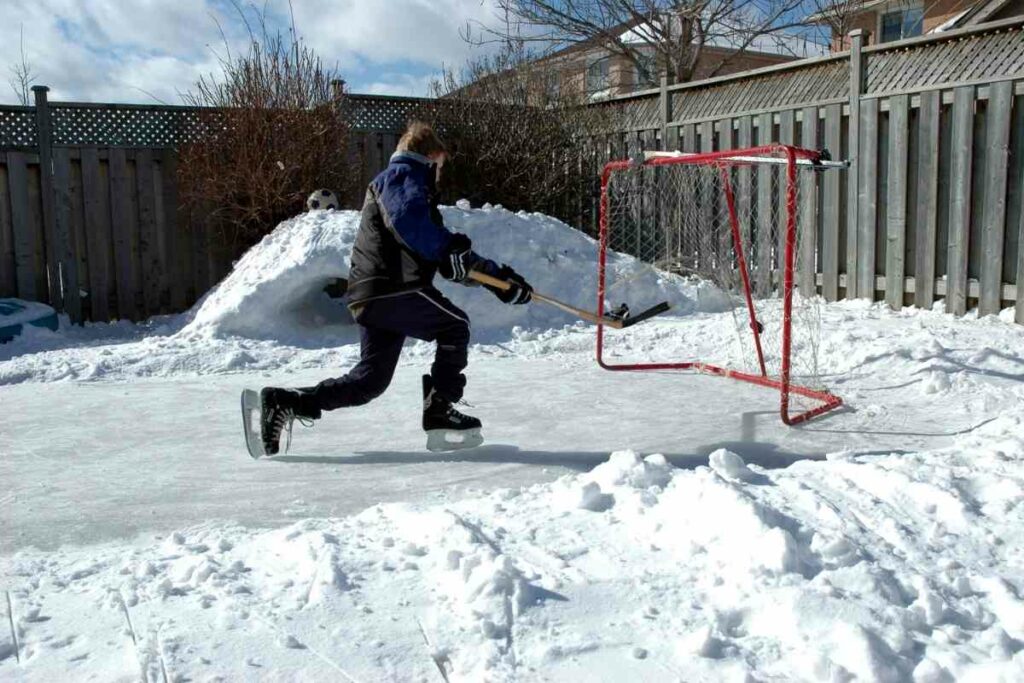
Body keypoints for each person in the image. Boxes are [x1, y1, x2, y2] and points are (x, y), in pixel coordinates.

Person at [259, 122, 533, 455]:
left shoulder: (402, 184)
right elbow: (410, 224)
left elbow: (447, 259)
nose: (440, 175)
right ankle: (439, 410)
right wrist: (449, 252)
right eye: (441, 166)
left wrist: (501, 283)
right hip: (393, 286)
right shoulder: (404, 177)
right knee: (455, 327)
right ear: (430, 158)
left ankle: (286, 402)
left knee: (369, 381)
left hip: (373, 293)